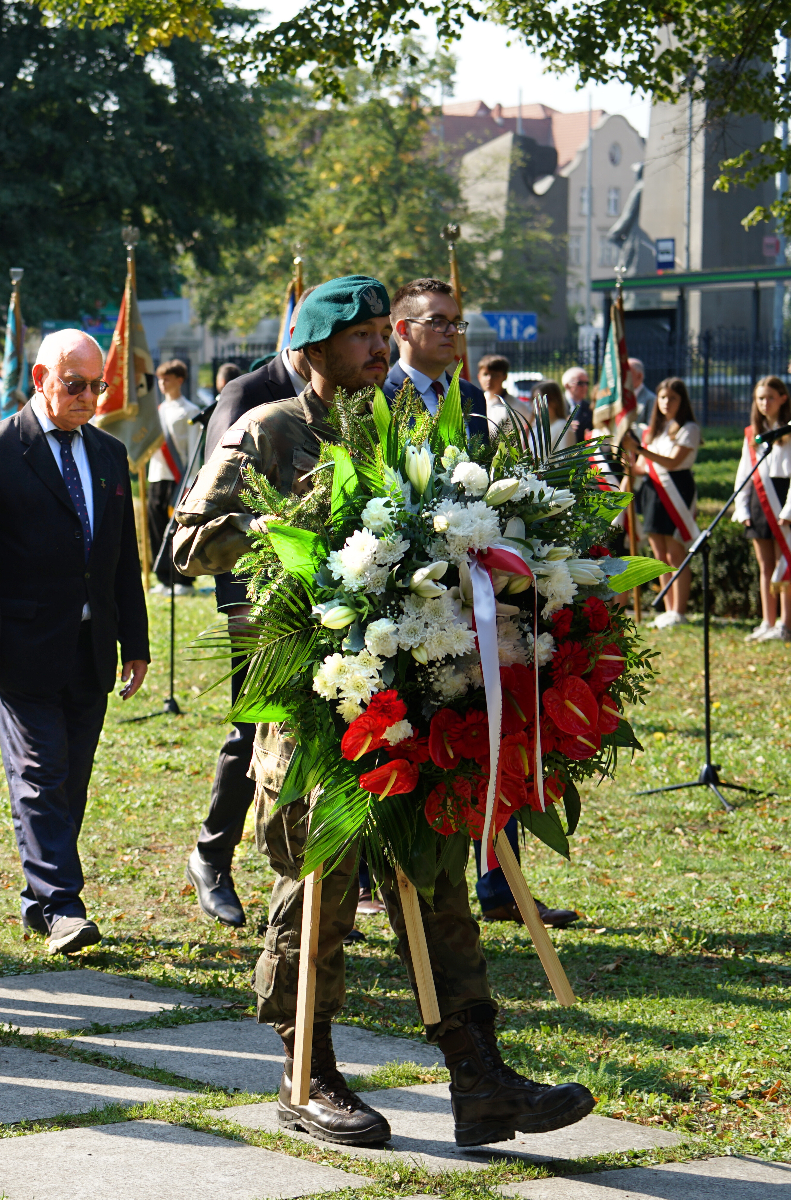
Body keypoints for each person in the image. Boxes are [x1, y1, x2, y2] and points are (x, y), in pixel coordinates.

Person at [172, 272, 595, 1150]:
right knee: (317, 889)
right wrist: (291, 517)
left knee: (440, 878)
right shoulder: (269, 429)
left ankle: (480, 1079)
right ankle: (309, 1073)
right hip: (311, 698)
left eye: (379, 332)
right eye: (360, 335)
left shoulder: (406, 425)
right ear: (316, 348)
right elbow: (184, 546)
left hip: (410, 691)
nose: (377, 346)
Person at [0, 329, 149, 956]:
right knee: (39, 772)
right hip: (21, 645)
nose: (89, 396)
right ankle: (66, 906)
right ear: (41, 378)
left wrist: (137, 640)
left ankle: (38, 898)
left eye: (97, 385)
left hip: (91, 645)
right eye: (75, 384)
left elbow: (123, 558)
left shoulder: (107, 452)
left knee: (70, 778)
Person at [185, 346, 310, 928]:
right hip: (257, 596)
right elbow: (212, 513)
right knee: (252, 728)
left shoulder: (358, 399)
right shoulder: (244, 397)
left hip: (324, 597)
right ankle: (212, 857)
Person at [622, 376, 699, 628]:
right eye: (663, 397)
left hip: (677, 490)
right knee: (659, 555)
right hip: (653, 492)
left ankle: (679, 610)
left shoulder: (689, 428)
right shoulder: (653, 430)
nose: (666, 402)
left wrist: (641, 450)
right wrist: (629, 459)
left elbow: (673, 462)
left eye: (672, 398)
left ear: (682, 401)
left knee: (676, 553)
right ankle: (667, 609)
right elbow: (644, 468)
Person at [383, 279, 487, 433]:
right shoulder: (380, 397)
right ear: (404, 330)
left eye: (456, 323)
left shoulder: (472, 395)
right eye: (438, 321)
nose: (452, 331)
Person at [735, 377, 791, 642]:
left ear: (783, 398)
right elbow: (745, 473)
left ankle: (784, 624)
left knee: (785, 563)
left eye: (770, 397)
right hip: (760, 501)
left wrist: (789, 510)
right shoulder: (752, 434)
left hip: (784, 500)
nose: (764, 403)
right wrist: (742, 508)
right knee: (765, 565)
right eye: (760, 398)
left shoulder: (789, 430)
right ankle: (767, 621)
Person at [146, 359, 196, 593]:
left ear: (180, 380)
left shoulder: (189, 411)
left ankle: (183, 580)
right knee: (156, 526)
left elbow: (195, 451)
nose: (162, 383)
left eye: (167, 378)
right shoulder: (156, 412)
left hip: (179, 479)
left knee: (177, 530)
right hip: (157, 475)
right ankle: (164, 579)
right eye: (159, 379)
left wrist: (190, 483)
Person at [479, 354, 532, 435]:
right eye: (485, 374)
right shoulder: (477, 402)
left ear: (505, 376)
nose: (489, 379)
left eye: (494, 375)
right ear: (479, 376)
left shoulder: (517, 407)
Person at [561, 367, 595, 443]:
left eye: (587, 383)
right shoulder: (557, 405)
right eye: (580, 383)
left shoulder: (590, 408)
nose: (585, 387)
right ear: (567, 385)